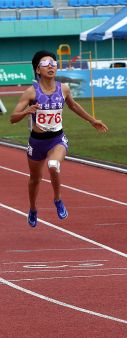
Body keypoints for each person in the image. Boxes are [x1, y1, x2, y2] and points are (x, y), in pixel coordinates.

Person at [10, 51, 108, 228]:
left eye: (53, 63)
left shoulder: (64, 88)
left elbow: (74, 105)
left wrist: (92, 120)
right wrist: (26, 112)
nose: (50, 65)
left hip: (57, 139)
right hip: (37, 142)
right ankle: (33, 208)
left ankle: (58, 199)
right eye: (45, 63)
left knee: (54, 165)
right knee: (35, 179)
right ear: (37, 70)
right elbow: (13, 117)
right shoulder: (31, 92)